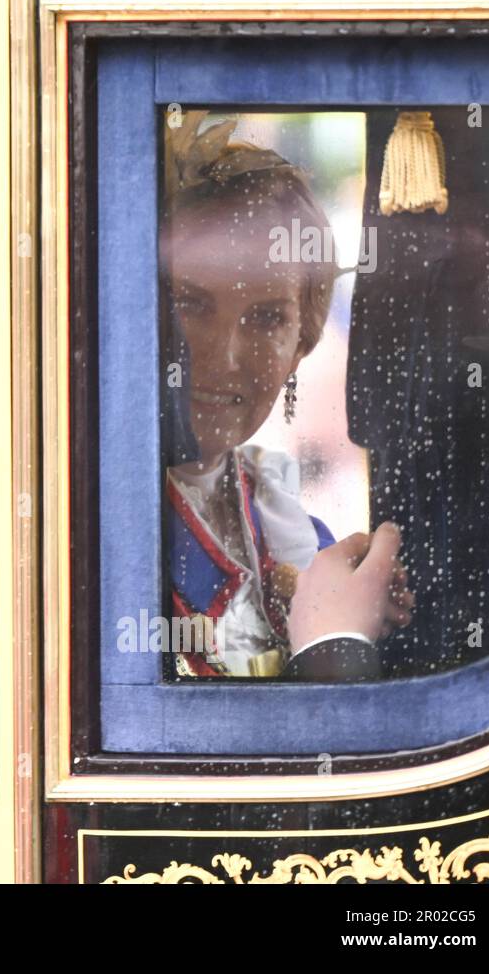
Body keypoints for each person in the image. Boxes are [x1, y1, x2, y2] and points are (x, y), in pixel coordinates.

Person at [162, 114, 412, 681]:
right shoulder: (59, 524)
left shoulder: (294, 535)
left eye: (267, 318)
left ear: (301, 347)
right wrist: (335, 645)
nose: (225, 356)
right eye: (191, 304)